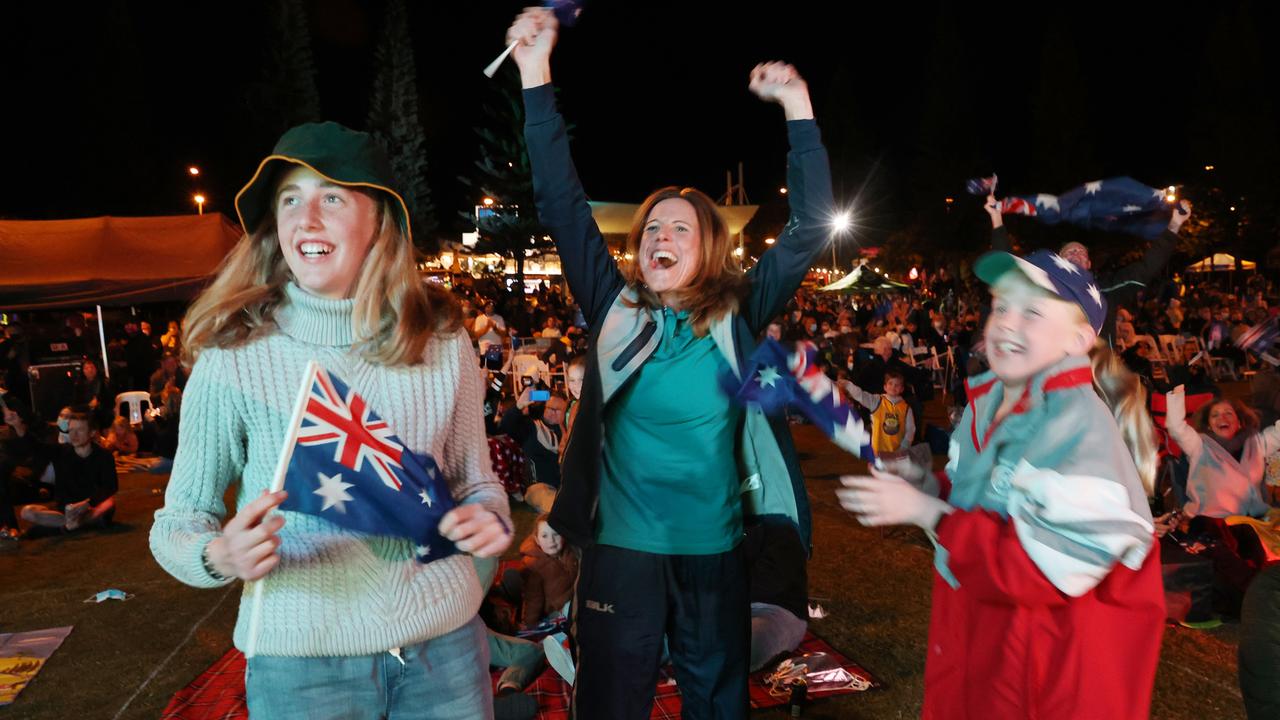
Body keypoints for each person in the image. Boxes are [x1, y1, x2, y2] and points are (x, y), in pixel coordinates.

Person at [508, 9, 830, 718]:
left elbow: (811, 226)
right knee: (610, 700)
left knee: (717, 701)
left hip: (714, 555)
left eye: (679, 227)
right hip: (622, 554)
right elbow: (561, 202)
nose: (661, 233)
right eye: (653, 226)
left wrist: (798, 107)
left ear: (707, 247)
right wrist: (536, 74)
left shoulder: (736, 311)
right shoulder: (614, 304)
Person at [148, 121, 512, 719]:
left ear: (380, 223)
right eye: (289, 200)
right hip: (301, 668)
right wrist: (219, 556)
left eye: (332, 198)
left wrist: (490, 518)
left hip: (444, 652)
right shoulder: (233, 353)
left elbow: (478, 484)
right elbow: (178, 521)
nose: (305, 219)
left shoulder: (443, 341)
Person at [838, 249, 1164, 719]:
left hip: (1043, 683)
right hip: (986, 653)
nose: (1008, 322)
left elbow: (1049, 568)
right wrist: (931, 489)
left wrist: (930, 515)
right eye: (1001, 305)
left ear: (1078, 339)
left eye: (1032, 310)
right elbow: (985, 501)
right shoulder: (986, 405)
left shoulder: (1079, 426)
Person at [985, 191, 1191, 344]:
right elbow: (1010, 268)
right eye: (1069, 252)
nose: (1075, 253)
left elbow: (1146, 267)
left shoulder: (1105, 289)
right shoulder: (1043, 284)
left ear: (1089, 264)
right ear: (1058, 261)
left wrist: (1175, 224)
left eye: (1080, 252)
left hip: (1094, 377)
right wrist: (996, 219)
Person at [18, 411, 117, 532]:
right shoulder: (61, 452)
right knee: (27, 512)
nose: (74, 435)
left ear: (92, 432)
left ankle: (72, 524)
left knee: (109, 503)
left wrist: (87, 503)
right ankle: (73, 523)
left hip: (91, 507)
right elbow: (35, 447)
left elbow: (110, 487)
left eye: (79, 430)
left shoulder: (104, 456)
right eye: (71, 430)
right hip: (64, 509)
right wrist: (18, 425)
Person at [838, 369, 915, 456]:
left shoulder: (906, 408)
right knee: (878, 469)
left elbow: (911, 430)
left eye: (897, 385)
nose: (893, 387)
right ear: (885, 387)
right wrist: (848, 385)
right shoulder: (877, 401)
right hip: (878, 451)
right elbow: (861, 395)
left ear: (902, 389)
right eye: (890, 384)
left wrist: (903, 448)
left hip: (897, 452)